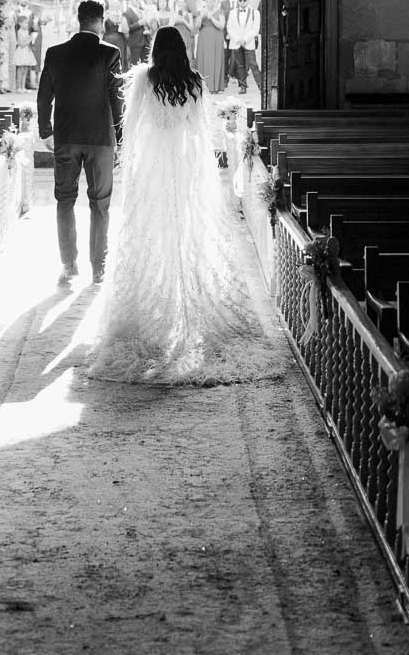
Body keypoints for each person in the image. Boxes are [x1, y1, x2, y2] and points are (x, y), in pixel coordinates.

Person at [85, 27, 281, 386]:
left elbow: (132, 130)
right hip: (187, 166)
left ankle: (154, 317)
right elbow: (200, 131)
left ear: (156, 49)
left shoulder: (145, 78)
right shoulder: (193, 81)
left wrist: (133, 173)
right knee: (187, 234)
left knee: (153, 238)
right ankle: (186, 313)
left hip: (154, 167)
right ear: (183, 50)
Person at [37, 0, 124, 286]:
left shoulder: (55, 52)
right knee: (100, 204)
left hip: (66, 136)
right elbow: (116, 98)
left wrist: (45, 130)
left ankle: (69, 263)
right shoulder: (110, 53)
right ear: (100, 20)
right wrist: (121, 137)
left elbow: (44, 95)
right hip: (100, 139)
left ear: (79, 19)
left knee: (64, 200)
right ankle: (98, 268)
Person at [226, 0, 260, 95]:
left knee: (253, 65)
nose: (242, 2)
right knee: (240, 66)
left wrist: (245, 39)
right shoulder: (232, 13)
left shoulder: (255, 13)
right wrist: (238, 39)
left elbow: (255, 28)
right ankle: (242, 86)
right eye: (240, 0)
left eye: (244, 0)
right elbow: (229, 27)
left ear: (248, 0)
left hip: (248, 43)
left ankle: (261, 86)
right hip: (236, 43)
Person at [194, 0, 227, 93]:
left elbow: (221, 26)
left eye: (211, 1)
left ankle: (215, 86)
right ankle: (204, 86)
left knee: (215, 60)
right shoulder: (201, 11)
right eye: (207, 1)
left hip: (216, 37)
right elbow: (197, 26)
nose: (209, 3)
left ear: (214, 2)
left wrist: (211, 17)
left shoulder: (220, 11)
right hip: (204, 38)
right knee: (204, 60)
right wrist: (201, 17)